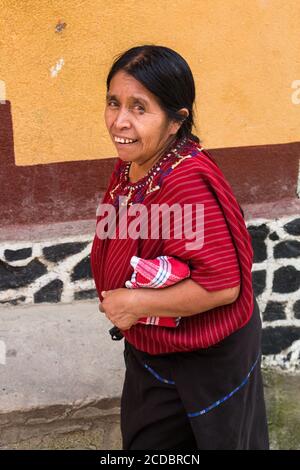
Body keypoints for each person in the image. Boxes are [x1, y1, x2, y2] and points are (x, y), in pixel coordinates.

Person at [90, 45, 269, 450]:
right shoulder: (135, 160)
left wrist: (135, 304)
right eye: (113, 103)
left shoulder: (184, 184)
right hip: (155, 348)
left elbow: (223, 286)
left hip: (202, 360)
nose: (120, 120)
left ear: (176, 121)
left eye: (140, 108)